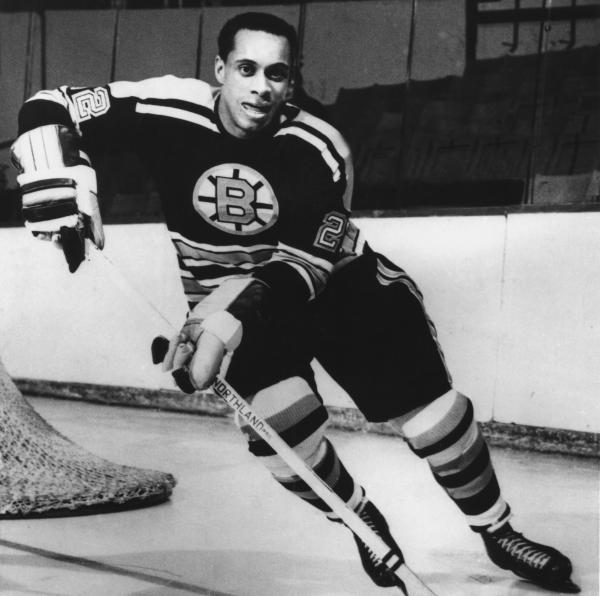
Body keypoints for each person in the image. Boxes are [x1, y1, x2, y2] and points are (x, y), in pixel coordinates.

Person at [10, 11, 578, 594]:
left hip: (337, 286)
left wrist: (223, 324)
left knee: (435, 417)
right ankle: (360, 519)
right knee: (281, 430)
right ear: (219, 70)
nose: (261, 86)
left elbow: (302, 266)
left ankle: (498, 531)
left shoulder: (318, 146)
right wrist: (52, 164)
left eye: (276, 73)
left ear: (291, 80)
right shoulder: (165, 106)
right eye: (246, 69)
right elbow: (51, 105)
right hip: (225, 295)